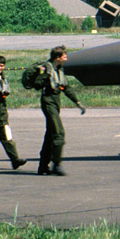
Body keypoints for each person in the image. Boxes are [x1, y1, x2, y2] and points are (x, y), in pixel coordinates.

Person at [37, 45, 86, 176]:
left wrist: (78, 102)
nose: (66, 58)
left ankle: (43, 167)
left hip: (55, 103)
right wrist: (45, 76)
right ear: (58, 58)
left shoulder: (59, 69)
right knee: (59, 134)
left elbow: (66, 88)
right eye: (64, 56)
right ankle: (56, 165)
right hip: (48, 102)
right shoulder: (47, 69)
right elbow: (37, 84)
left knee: (50, 135)